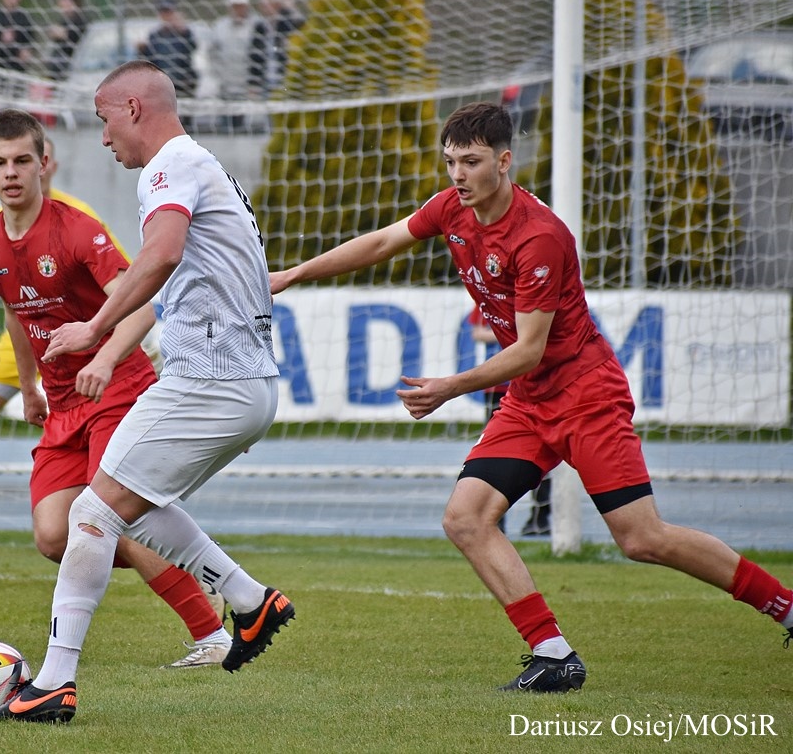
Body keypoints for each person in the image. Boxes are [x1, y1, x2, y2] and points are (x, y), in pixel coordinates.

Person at [269, 101, 793, 692]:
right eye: (450, 162)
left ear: (504, 160)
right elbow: (383, 242)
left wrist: (449, 387)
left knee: (642, 539)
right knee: (466, 519)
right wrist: (293, 274)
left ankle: (786, 606)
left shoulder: (538, 236)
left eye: (471, 162)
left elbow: (529, 350)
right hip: (529, 400)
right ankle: (553, 655)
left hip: (586, 396)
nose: (458, 175)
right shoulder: (452, 207)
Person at [0, 61, 291, 724]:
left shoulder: (167, 168)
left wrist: (96, 329)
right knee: (130, 509)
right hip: (234, 380)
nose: (103, 137)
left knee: (93, 515)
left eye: (104, 120)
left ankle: (54, 683)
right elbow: (173, 270)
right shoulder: (195, 164)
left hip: (211, 380)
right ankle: (248, 601)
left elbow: (162, 253)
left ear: (131, 108)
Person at [0, 109, 232, 670]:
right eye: (0, 162)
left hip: (118, 390)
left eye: (22, 161)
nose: (11, 173)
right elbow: (15, 313)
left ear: (44, 164)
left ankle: (212, 633)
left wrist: (105, 359)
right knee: (54, 535)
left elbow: (145, 303)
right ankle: (194, 566)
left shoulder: (77, 230)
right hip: (62, 401)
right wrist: (29, 387)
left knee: (110, 518)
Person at [468, 308, 550, 537]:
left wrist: (524, 340)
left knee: (543, 449)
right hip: (498, 384)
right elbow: (477, 332)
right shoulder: (489, 298)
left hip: (533, 383)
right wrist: (518, 339)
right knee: (495, 450)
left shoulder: (536, 299)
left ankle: (541, 516)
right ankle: (494, 519)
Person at [207, 0, 264, 131]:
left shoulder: (257, 26)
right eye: (235, 6)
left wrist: (255, 83)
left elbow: (261, 56)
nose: (238, 9)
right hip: (225, 88)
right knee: (225, 128)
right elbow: (212, 54)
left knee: (249, 129)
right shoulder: (220, 26)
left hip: (250, 89)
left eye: (241, 5)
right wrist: (218, 78)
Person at [137, 0, 198, 102]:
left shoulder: (183, 32)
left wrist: (183, 31)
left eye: (169, 12)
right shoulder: (155, 35)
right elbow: (150, 58)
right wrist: (142, 49)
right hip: (161, 84)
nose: (166, 15)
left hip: (182, 83)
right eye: (163, 12)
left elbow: (192, 48)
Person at [252, 0, 304, 97]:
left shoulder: (286, 24)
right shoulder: (259, 27)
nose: (267, 7)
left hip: (284, 80)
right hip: (265, 82)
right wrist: (254, 84)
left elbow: (300, 25)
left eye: (270, 3)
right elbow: (254, 56)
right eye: (263, 4)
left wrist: (290, 8)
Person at [43, 0, 88, 83]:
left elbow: (71, 36)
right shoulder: (64, 21)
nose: (61, 3)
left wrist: (62, 33)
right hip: (59, 66)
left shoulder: (80, 20)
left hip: (73, 65)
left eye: (65, 0)